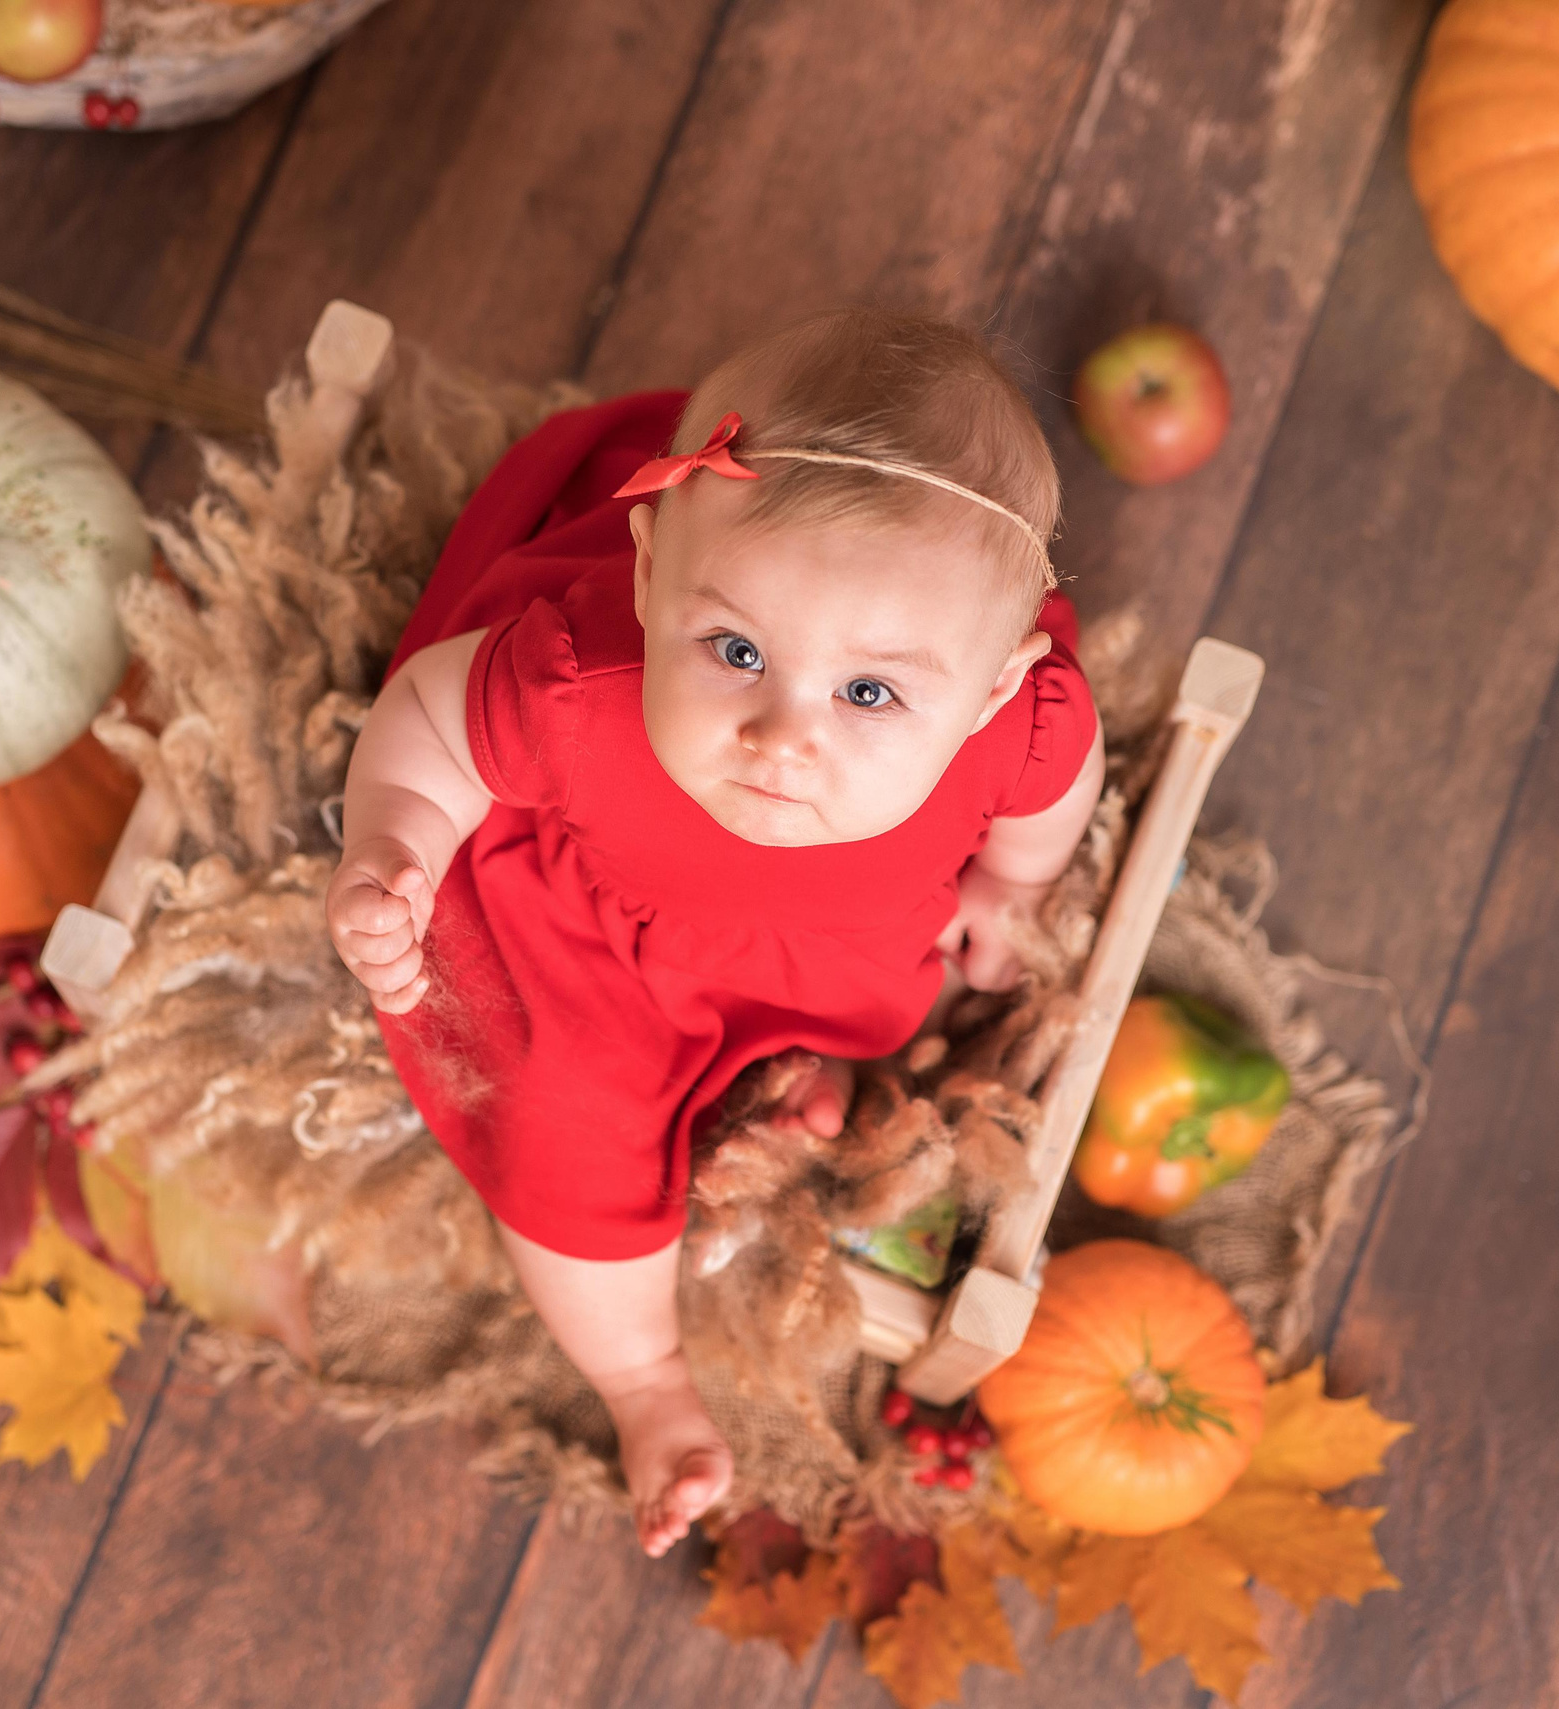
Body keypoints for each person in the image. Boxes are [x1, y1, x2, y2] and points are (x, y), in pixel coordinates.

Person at [325, 308, 1104, 1555]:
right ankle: (643, 1381)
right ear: (646, 575)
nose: (783, 734)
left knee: (893, 1019)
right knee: (562, 1135)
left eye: (868, 692)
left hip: (837, 953)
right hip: (595, 942)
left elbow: (1059, 776)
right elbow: (429, 718)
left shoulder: (1016, 721)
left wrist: (1012, 886)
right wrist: (397, 845)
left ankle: (790, 1071)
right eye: (735, 648)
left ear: (991, 686)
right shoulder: (580, 686)